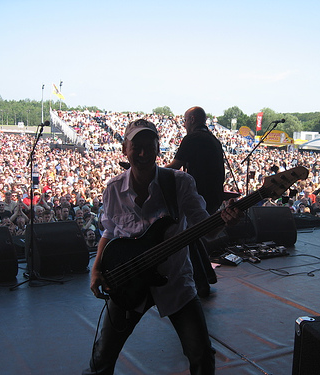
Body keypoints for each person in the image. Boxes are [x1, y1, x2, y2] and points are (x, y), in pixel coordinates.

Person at [83, 119, 241, 375]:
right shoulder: (113, 189)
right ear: (125, 149)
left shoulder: (180, 183)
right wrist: (96, 269)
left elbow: (206, 229)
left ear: (159, 149)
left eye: (150, 146)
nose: (143, 153)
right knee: (103, 356)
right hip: (128, 279)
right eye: (137, 146)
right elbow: (109, 232)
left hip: (175, 280)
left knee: (200, 354)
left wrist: (226, 221)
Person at [165, 106, 225, 296]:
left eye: (184, 120)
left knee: (187, 234)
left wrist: (152, 172)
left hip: (200, 195)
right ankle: (207, 277)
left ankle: (202, 283)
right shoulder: (213, 139)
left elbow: (175, 166)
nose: (183, 125)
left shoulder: (192, 138)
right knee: (193, 234)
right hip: (214, 194)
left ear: (191, 119)